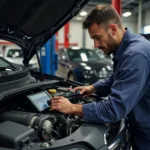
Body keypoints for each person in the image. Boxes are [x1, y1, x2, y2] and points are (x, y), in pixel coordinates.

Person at [51, 5, 150, 150]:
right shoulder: (128, 48)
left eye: (97, 37)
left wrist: (72, 107)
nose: (95, 45)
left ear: (113, 29)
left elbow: (114, 109)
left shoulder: (135, 55)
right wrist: (93, 88)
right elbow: (117, 78)